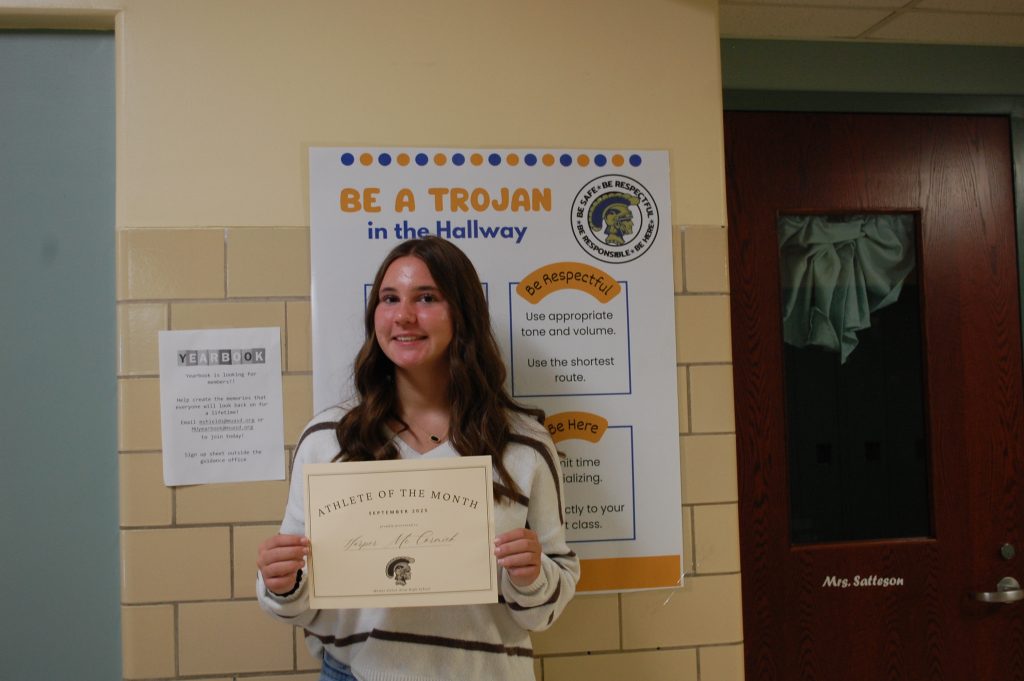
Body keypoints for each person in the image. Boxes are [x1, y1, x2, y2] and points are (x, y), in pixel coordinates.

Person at [257, 236, 580, 681]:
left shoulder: (523, 444)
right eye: (389, 299)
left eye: (426, 298)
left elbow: (548, 600)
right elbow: (297, 603)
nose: (403, 315)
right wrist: (281, 582)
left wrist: (532, 576)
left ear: (462, 314)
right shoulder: (328, 440)